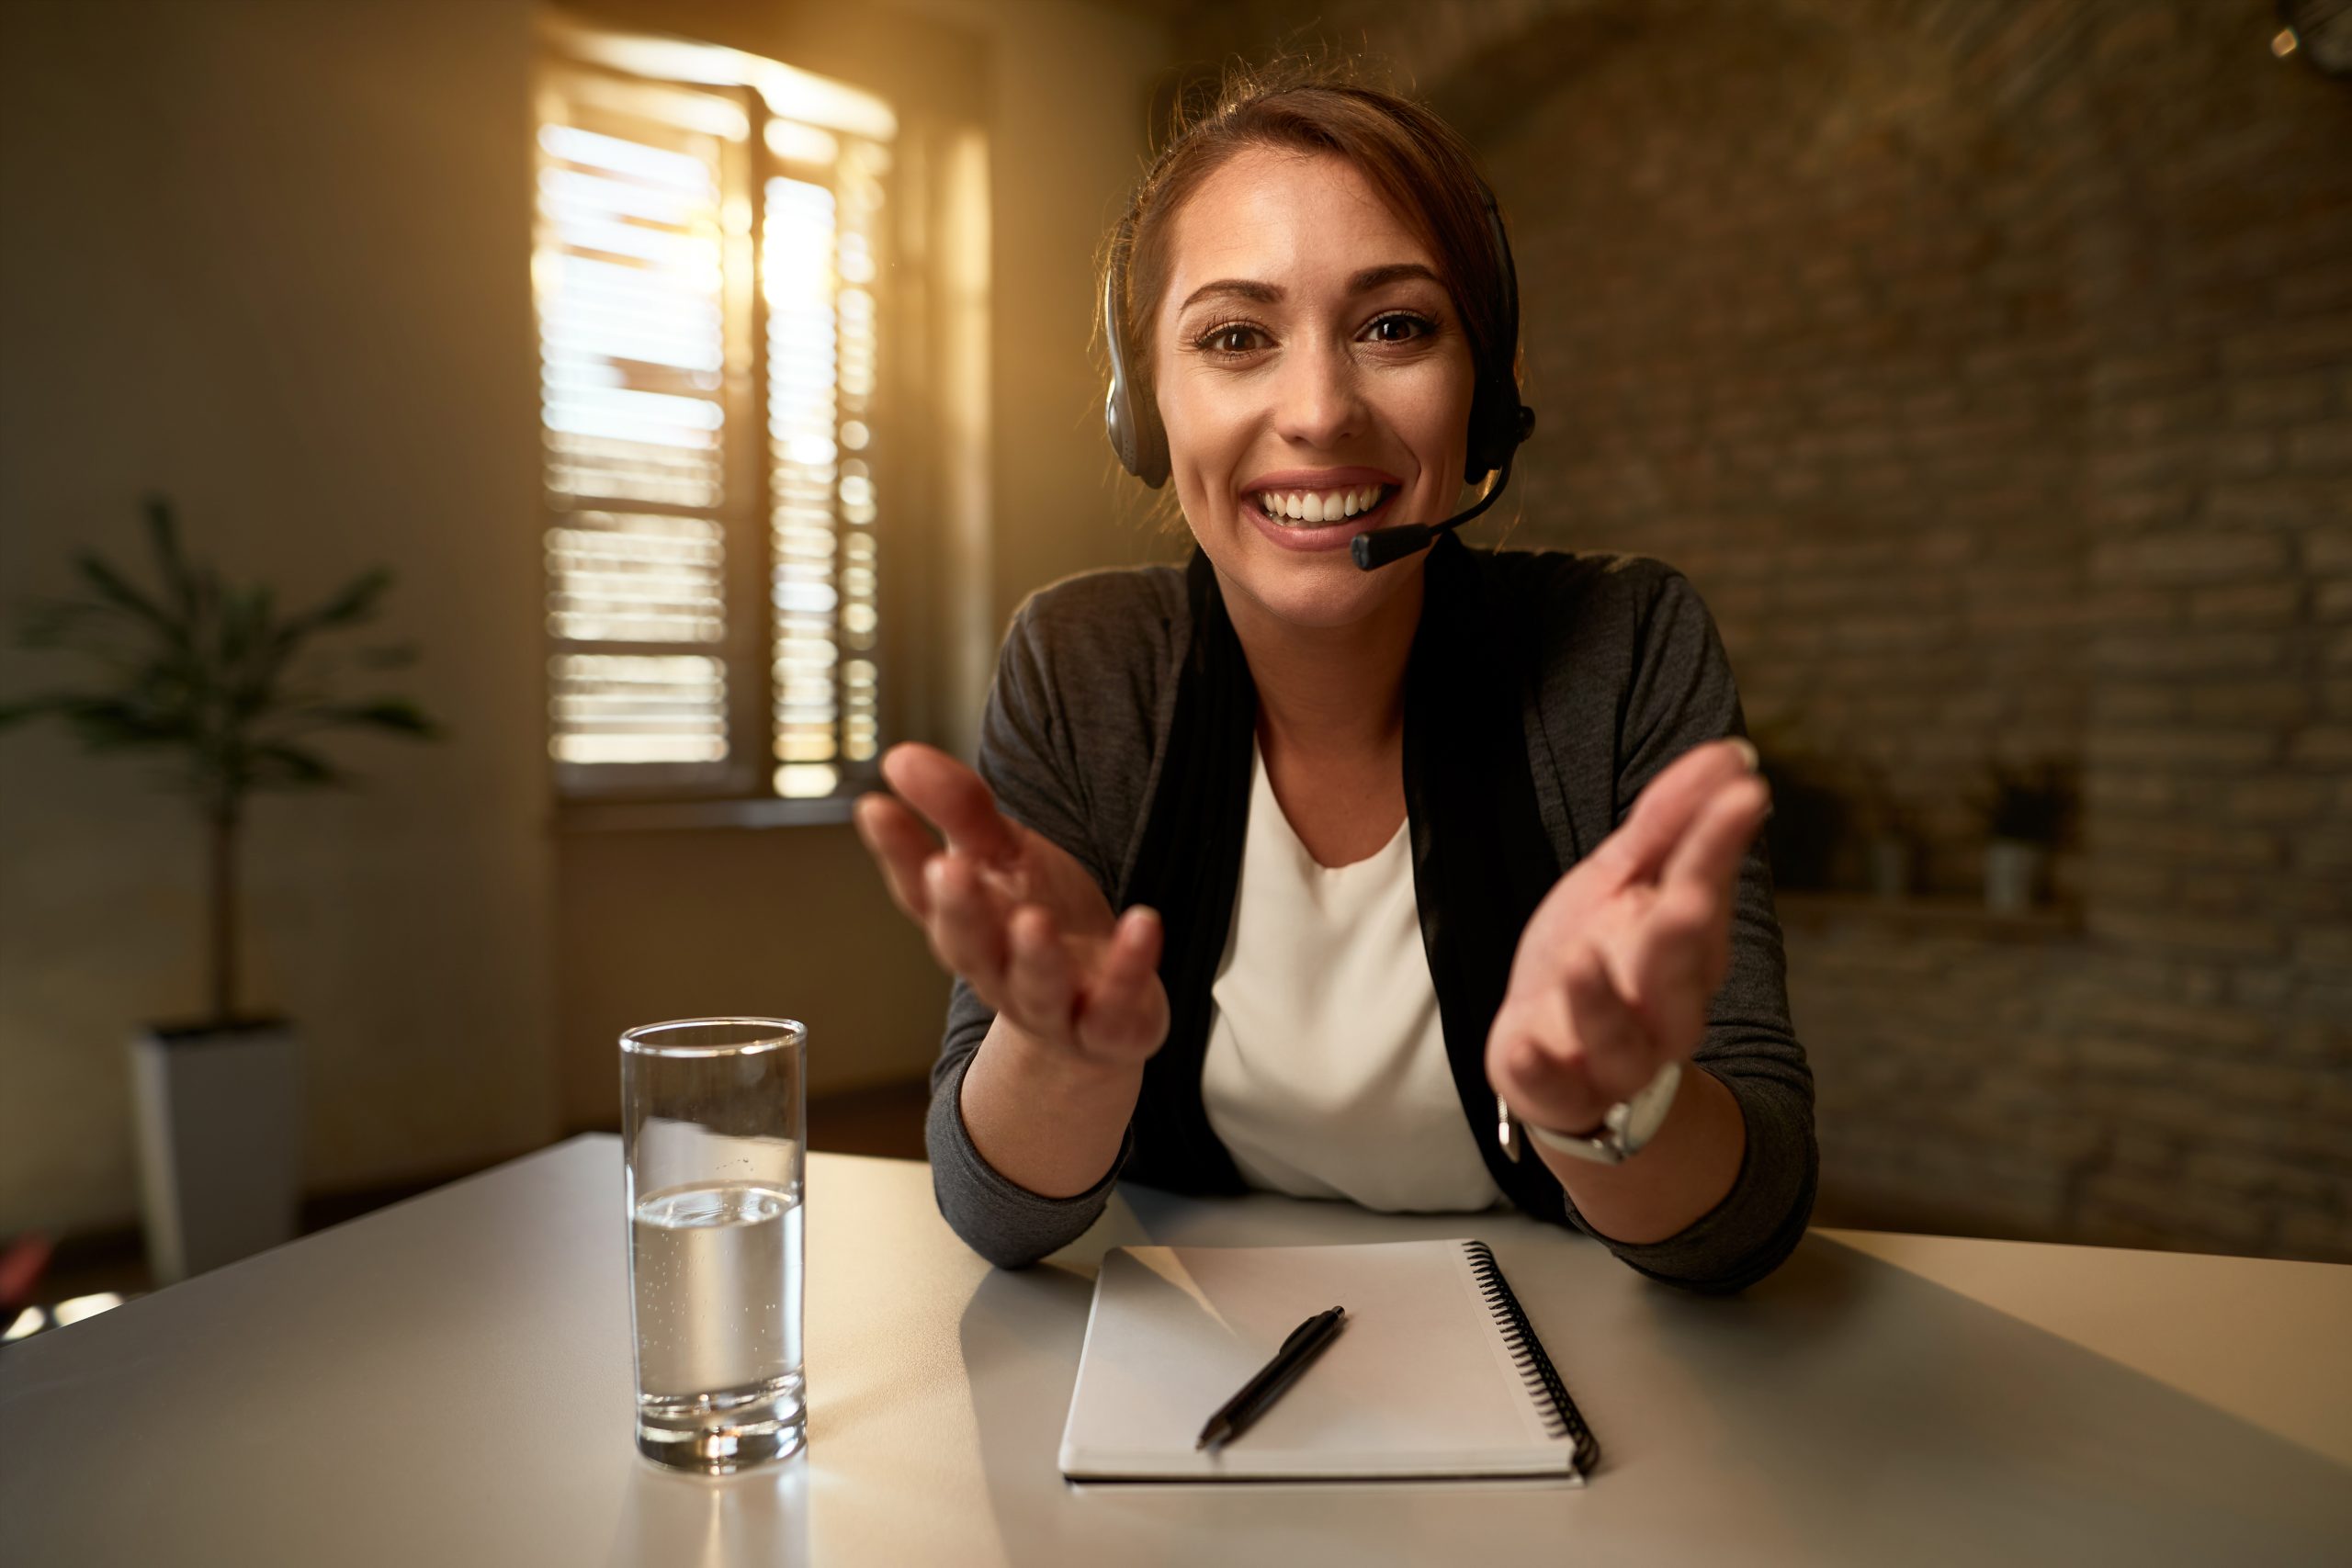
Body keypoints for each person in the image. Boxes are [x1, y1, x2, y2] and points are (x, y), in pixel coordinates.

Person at [853, 64, 1816, 1293]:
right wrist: (1064, 1056)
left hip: (1569, 1359)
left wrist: (1604, 1104)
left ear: (1489, 394)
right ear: (1144, 407)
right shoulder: (1080, 662)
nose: (1317, 411)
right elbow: (1004, 1219)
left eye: (1396, 326)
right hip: (1192, 1371)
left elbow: (1749, 1210)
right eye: (1236, 337)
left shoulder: (1623, 644)